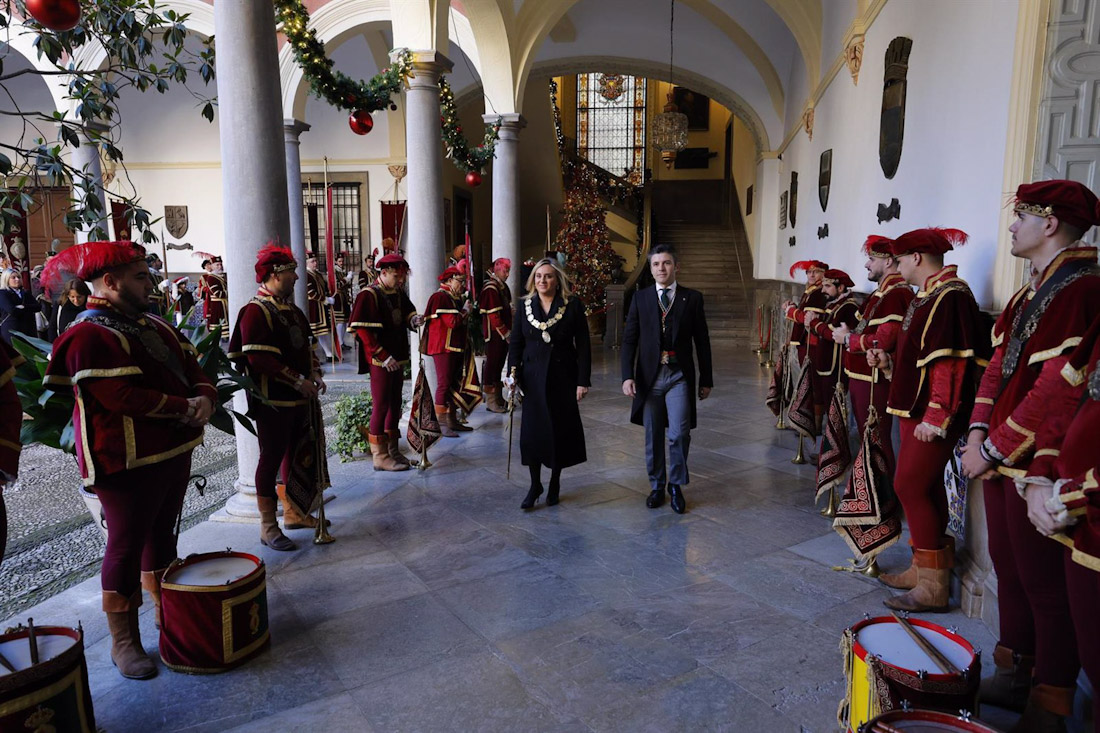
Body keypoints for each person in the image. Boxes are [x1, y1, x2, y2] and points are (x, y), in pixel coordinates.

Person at [958, 180, 1100, 729]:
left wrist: (994, 446)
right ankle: (1015, 670)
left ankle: (1051, 698)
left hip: (1036, 462)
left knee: (1046, 586)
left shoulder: (1083, 289)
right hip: (999, 455)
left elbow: (1054, 390)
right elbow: (998, 369)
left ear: (1050, 224)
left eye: (1021, 217)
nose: (1012, 227)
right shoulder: (1028, 293)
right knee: (1010, 572)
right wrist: (975, 433)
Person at [41, 240, 217, 680]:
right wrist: (182, 407)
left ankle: (167, 619)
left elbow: (194, 370)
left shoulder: (155, 323)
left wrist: (206, 398)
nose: (150, 282)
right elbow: (119, 395)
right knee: (124, 546)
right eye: (140, 276)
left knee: (162, 537)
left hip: (171, 451)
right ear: (109, 282)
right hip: (122, 460)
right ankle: (124, 642)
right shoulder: (87, 334)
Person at [867, 228, 989, 612]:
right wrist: (887, 362)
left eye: (900, 259)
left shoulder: (950, 296)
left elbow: (949, 360)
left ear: (917, 257)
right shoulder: (928, 295)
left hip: (931, 414)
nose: (896, 266)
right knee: (926, 488)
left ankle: (932, 585)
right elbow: (917, 356)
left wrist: (937, 415)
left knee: (909, 486)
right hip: (914, 409)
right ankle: (923, 568)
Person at [1022, 313, 1100, 733]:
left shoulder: (1078, 292)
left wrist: (1069, 495)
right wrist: (1042, 472)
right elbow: (1067, 397)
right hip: (1075, 508)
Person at [228, 244, 330, 551]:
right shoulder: (255, 311)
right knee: (270, 460)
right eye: (291, 272)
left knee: (299, 454)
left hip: (300, 398)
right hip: (274, 402)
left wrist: (314, 372)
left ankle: (296, 512)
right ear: (275, 275)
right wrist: (299, 381)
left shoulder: (293, 310)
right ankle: (268, 526)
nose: (298, 277)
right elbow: (259, 361)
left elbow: (307, 347)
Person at [621, 245, 713, 515]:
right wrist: (627, 375)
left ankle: (675, 485)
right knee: (653, 435)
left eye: (667, 263)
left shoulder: (692, 298)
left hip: (678, 376)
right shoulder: (641, 299)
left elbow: (702, 341)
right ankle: (657, 486)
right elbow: (629, 341)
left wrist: (706, 378)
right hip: (649, 378)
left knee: (679, 433)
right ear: (650, 269)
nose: (661, 268)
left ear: (676, 267)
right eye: (656, 264)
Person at [508, 258, 591, 509]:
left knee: (558, 431)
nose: (543, 281)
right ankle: (535, 484)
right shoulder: (524, 307)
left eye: (548, 276)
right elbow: (516, 344)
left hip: (562, 377)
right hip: (532, 379)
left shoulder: (573, 306)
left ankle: (554, 481)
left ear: (558, 280)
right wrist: (512, 374)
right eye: (539, 276)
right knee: (533, 433)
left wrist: (582, 381)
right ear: (533, 280)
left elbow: (584, 346)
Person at [831, 236, 914, 477]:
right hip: (862, 377)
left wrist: (848, 339)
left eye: (871, 259)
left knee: (878, 441)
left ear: (888, 261)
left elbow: (885, 339)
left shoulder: (897, 294)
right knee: (868, 440)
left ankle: (880, 501)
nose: (867, 265)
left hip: (874, 379)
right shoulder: (881, 293)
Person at [349, 253, 420, 471]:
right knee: (381, 405)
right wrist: (381, 355)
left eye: (402, 277)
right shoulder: (369, 295)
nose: (401, 281)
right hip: (381, 359)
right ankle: (379, 456)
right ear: (384, 273)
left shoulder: (396, 292)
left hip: (397, 356)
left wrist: (414, 320)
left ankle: (393, 451)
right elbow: (362, 330)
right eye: (397, 276)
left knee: (396, 403)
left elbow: (407, 313)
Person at [424, 264, 473, 437]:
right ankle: (441, 422)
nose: (463, 285)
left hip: (455, 346)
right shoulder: (440, 297)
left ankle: (452, 419)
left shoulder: (453, 296)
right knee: (443, 384)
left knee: (453, 383)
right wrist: (466, 310)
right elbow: (452, 322)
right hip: (443, 347)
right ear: (450, 280)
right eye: (460, 281)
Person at [805, 269, 860, 405]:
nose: (823, 290)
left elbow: (834, 334)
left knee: (834, 404)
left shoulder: (849, 307)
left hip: (837, 369)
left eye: (827, 286)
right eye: (823, 286)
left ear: (840, 288)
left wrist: (814, 323)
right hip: (826, 362)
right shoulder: (835, 304)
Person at [480, 257, 513, 413]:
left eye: (508, 271)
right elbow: (493, 316)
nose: (507, 275)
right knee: (492, 365)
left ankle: (498, 397)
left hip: (502, 333)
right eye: (505, 271)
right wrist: (505, 333)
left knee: (499, 365)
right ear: (497, 270)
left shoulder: (502, 287)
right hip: (494, 334)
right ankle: (491, 401)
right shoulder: (491, 288)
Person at [782, 260, 829, 364]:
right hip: (805, 340)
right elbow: (804, 309)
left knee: (809, 374)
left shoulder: (819, 292)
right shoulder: (811, 289)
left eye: (816, 272)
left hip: (811, 341)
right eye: (808, 272)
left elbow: (807, 317)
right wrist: (793, 306)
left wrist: (790, 311)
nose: (811, 275)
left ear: (823, 273)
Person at [306, 254, 336, 361]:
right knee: (314, 333)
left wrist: (328, 295)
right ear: (307, 263)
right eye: (313, 261)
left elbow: (324, 287)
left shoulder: (317, 274)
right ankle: (312, 357)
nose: (315, 263)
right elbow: (310, 293)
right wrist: (325, 299)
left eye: (316, 261)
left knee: (323, 332)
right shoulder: (307, 275)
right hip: (313, 306)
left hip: (321, 307)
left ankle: (328, 354)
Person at [0, 268, 40, 346]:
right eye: (13, 277)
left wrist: (23, 307)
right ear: (6, 279)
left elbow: (38, 307)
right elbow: (12, 310)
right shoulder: (3, 294)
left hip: (28, 329)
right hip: (12, 330)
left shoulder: (25, 293)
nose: (17, 279)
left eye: (18, 277)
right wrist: (28, 308)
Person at [195, 255, 228, 334]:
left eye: (221, 264)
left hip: (224, 304)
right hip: (216, 304)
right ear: (212, 266)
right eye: (217, 265)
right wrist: (229, 293)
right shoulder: (210, 278)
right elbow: (218, 293)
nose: (220, 267)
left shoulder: (223, 276)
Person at [332, 252, 352, 354]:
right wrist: (347, 279)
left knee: (345, 321)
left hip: (344, 297)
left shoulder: (343, 271)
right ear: (336, 261)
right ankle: (339, 342)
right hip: (338, 297)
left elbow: (347, 286)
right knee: (340, 321)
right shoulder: (334, 271)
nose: (341, 263)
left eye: (342, 261)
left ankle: (342, 341)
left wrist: (349, 280)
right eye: (339, 261)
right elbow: (337, 285)